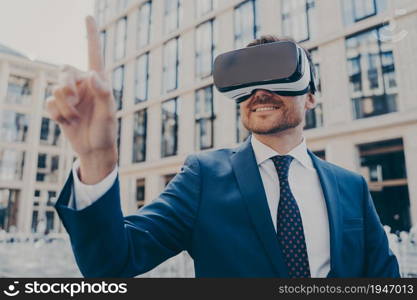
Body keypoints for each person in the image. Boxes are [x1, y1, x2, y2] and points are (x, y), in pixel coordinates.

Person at [49, 16, 400, 278]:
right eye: (248, 81)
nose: (260, 92)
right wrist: (96, 159)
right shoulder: (203, 176)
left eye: (277, 75)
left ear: (310, 97)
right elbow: (111, 264)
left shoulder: (351, 187)